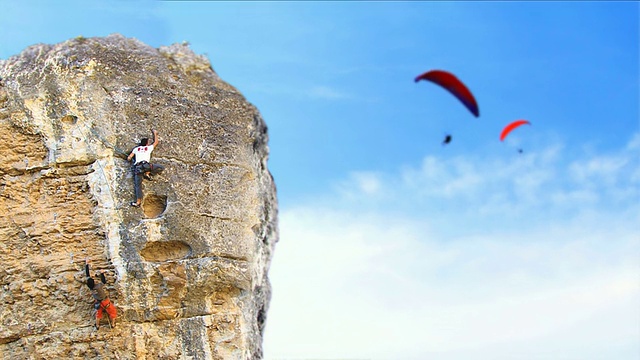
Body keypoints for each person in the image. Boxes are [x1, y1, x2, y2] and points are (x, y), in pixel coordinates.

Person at [127, 129, 164, 207]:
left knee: (138, 186)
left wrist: (130, 158)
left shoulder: (136, 149)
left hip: (138, 168)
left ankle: (138, 202)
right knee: (160, 167)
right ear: (147, 143)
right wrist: (155, 133)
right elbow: (156, 142)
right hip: (146, 166)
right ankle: (148, 173)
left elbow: (129, 158)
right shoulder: (148, 148)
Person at [85, 259, 117, 330]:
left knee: (98, 314)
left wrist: (87, 264)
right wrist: (102, 273)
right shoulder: (98, 287)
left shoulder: (91, 288)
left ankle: (97, 325)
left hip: (98, 303)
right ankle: (113, 324)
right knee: (113, 311)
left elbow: (87, 275)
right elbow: (104, 281)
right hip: (105, 302)